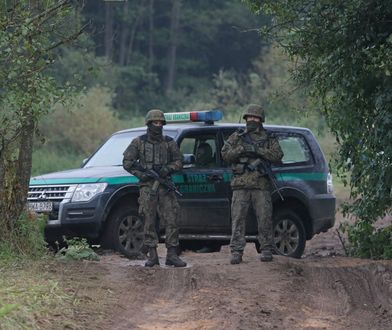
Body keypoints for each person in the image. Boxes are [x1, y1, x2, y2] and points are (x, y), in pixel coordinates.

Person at [122, 109, 187, 267]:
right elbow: (127, 162)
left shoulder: (169, 142)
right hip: (147, 187)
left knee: (172, 219)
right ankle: (152, 254)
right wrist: (141, 174)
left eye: (160, 123)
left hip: (165, 186)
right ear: (149, 124)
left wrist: (168, 169)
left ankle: (172, 254)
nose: (157, 126)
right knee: (148, 220)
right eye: (154, 123)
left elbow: (179, 161)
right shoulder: (139, 142)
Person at [221, 104, 284, 264]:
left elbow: (277, 155)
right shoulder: (237, 136)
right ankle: (236, 251)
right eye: (249, 117)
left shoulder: (269, 138)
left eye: (255, 118)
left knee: (265, 218)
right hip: (240, 185)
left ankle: (266, 249)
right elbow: (225, 154)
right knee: (237, 220)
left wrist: (257, 150)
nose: (252, 120)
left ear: (261, 120)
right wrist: (241, 149)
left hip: (260, 185)